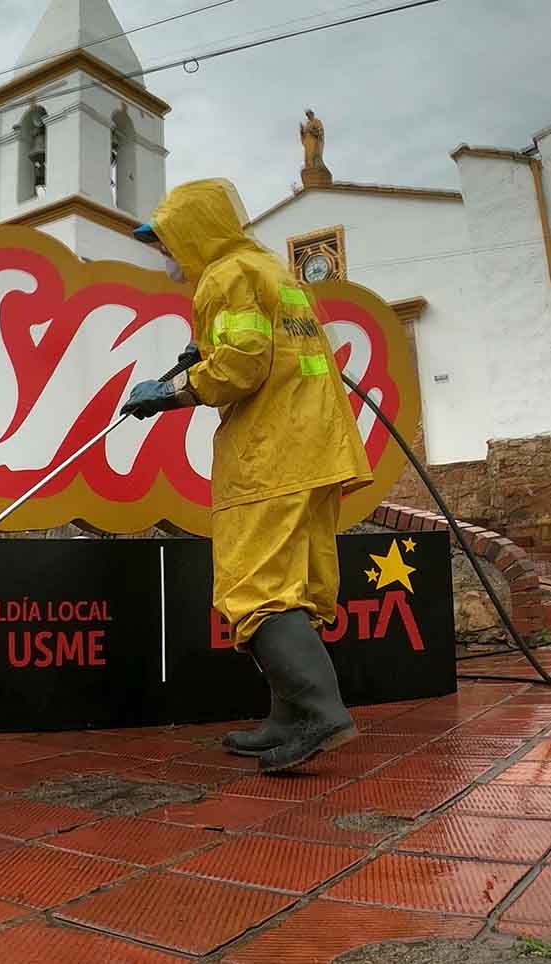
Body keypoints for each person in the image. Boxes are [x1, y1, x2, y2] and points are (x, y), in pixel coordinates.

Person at [122, 178, 373, 773]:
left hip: (271, 454)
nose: (165, 255)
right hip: (315, 449)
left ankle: (319, 712)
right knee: (296, 586)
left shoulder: (225, 275)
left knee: (253, 588)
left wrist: (173, 392)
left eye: (167, 241)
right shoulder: (268, 270)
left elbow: (241, 367)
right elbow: (267, 348)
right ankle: (286, 717)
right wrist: (198, 356)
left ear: (193, 232)